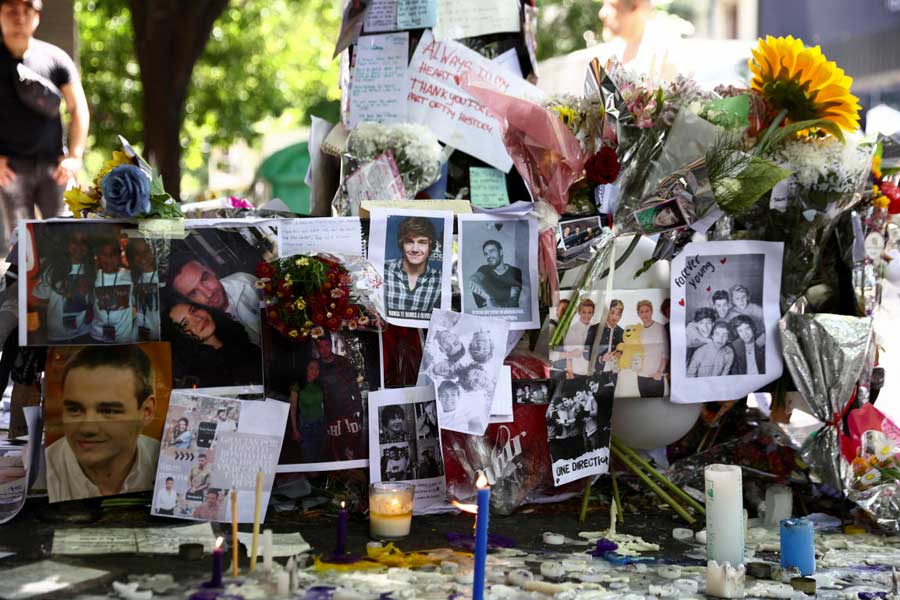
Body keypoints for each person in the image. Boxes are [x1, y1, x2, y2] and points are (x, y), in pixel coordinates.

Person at [0, 0, 90, 246]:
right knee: (22, 248)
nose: (20, 18)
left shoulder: (55, 58)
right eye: (11, 10)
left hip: (55, 168)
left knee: (68, 244)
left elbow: (78, 108)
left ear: (37, 17)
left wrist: (75, 157)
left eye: (27, 11)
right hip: (11, 171)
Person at [45, 345, 159, 502]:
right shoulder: (42, 472)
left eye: (109, 411)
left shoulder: (166, 462)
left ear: (147, 411)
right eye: (74, 409)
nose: (87, 428)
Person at [162, 299, 262, 388]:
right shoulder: (199, 375)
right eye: (185, 324)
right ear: (180, 337)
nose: (198, 319)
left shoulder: (240, 342)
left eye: (194, 310)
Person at [167, 253, 261, 345]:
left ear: (211, 270)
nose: (209, 294)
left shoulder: (244, 282)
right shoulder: (205, 330)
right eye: (193, 293)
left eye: (204, 279)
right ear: (187, 301)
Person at [31, 226, 93, 343]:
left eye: (83, 241)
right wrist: (39, 332)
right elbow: (40, 304)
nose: (79, 245)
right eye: (74, 241)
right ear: (66, 244)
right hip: (57, 336)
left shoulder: (91, 269)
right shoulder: (52, 270)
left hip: (85, 333)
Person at [315, 335, 364, 460]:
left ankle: (355, 469)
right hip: (330, 413)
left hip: (348, 410)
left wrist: (358, 407)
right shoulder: (316, 366)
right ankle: (339, 469)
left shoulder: (343, 362)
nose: (324, 349)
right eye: (321, 347)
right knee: (335, 447)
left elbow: (354, 386)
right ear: (317, 349)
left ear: (331, 346)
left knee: (354, 444)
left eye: (327, 345)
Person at [383, 217, 442, 318]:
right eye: (409, 242)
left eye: (422, 242)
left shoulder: (440, 279)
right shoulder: (383, 269)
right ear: (402, 243)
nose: (415, 249)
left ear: (430, 244)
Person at [91, 236, 134, 343]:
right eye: (104, 254)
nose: (109, 258)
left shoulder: (130, 276)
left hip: (124, 337)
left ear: (119, 256)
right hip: (97, 336)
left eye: (113, 254)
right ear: (97, 256)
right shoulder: (92, 277)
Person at [289, 360, 326, 463]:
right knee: (309, 458)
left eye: (317, 369)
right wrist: (295, 430)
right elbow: (293, 409)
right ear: (306, 369)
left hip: (320, 424)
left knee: (319, 457)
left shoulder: (319, 385)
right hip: (306, 427)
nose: (315, 371)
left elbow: (322, 405)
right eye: (311, 368)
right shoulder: (297, 385)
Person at [470, 240, 522, 309]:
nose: (489, 256)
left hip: (510, 314)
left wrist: (488, 296)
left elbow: (514, 293)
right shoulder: (484, 269)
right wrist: (488, 297)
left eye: (491, 251)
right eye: (486, 254)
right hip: (488, 314)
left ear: (501, 252)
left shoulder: (515, 271)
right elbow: (473, 280)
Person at [126, 237, 159, 342]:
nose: (142, 256)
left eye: (147, 251)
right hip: (139, 338)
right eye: (137, 253)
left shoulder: (164, 277)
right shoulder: (131, 279)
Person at [635, 299, 668, 397]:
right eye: (641, 312)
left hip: (656, 376)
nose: (644, 314)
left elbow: (665, 353)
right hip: (641, 376)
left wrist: (659, 372)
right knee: (644, 404)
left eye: (647, 311)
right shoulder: (638, 330)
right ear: (638, 314)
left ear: (651, 312)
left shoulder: (660, 327)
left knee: (657, 404)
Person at [593, 299, 624, 388]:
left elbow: (624, 350)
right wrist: (601, 358)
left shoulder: (622, 332)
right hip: (596, 374)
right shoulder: (594, 329)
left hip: (615, 375)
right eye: (612, 313)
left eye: (618, 314)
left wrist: (620, 354)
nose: (615, 316)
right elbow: (585, 353)